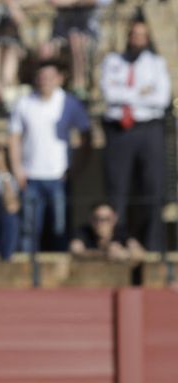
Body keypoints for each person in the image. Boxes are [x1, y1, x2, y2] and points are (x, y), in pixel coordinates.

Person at [99, 18, 170, 254]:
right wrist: (141, 92)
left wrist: (125, 95)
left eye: (142, 35)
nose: (137, 39)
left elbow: (161, 98)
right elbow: (109, 93)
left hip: (148, 128)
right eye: (134, 34)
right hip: (119, 130)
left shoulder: (156, 63)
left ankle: (152, 245)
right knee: (117, 189)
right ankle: (118, 240)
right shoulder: (112, 61)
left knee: (152, 187)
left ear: (147, 38)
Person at [9, 59, 90, 253]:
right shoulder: (24, 103)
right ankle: (28, 273)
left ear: (60, 79)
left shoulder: (69, 103)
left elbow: (86, 136)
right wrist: (17, 169)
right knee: (29, 228)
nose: (45, 81)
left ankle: (60, 276)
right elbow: (14, 138)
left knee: (60, 229)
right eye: (41, 77)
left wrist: (76, 169)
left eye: (50, 77)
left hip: (59, 177)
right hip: (31, 176)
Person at [70, 202, 143, 261]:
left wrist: (124, 254)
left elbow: (139, 253)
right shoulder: (83, 232)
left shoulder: (122, 232)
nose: (101, 223)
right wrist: (105, 254)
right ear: (91, 219)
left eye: (106, 219)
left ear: (114, 219)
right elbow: (75, 250)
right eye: (96, 218)